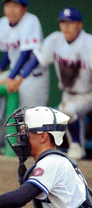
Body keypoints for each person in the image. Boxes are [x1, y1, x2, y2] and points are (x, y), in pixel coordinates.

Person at [15, 8, 92, 160]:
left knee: (67, 109)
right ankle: (78, 147)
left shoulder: (88, 42)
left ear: (79, 25)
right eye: (63, 22)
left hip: (88, 93)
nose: (66, 26)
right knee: (66, 112)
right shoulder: (56, 40)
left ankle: (76, 145)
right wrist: (21, 77)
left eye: (70, 23)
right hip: (69, 93)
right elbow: (38, 58)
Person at [0, 0, 49, 152]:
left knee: (31, 121)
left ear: (24, 9)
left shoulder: (31, 21)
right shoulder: (2, 23)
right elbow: (8, 51)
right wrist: (0, 70)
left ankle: (37, 154)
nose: (11, 9)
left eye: (15, 6)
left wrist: (14, 77)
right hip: (14, 74)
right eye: (8, 5)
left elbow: (28, 53)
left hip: (33, 76)